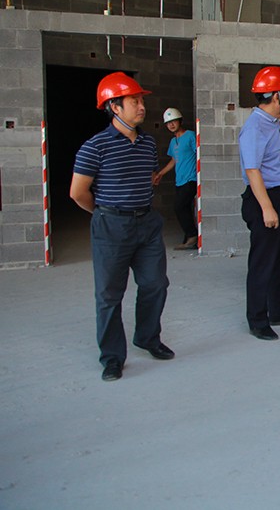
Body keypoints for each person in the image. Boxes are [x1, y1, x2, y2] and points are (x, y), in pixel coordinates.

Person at [70, 72, 174, 381]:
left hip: (147, 223)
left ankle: (147, 337)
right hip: (111, 225)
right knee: (109, 295)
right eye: (134, 101)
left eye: (141, 101)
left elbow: (148, 179)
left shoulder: (147, 143)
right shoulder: (95, 147)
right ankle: (112, 357)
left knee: (156, 283)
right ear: (115, 107)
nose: (142, 107)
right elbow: (77, 193)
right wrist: (105, 213)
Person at [238, 66, 280, 340]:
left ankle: (278, 310)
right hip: (265, 198)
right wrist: (267, 207)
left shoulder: (272, 123)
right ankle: (257, 319)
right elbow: (252, 170)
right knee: (263, 261)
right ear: (276, 95)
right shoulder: (254, 127)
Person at [153, 107, 198, 250]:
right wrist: (160, 174)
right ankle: (189, 237)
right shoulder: (173, 142)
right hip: (180, 180)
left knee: (179, 207)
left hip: (190, 179)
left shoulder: (190, 135)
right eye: (168, 123)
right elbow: (174, 160)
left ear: (180, 121)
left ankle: (192, 236)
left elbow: (199, 154)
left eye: (173, 121)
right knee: (184, 208)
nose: (171, 125)